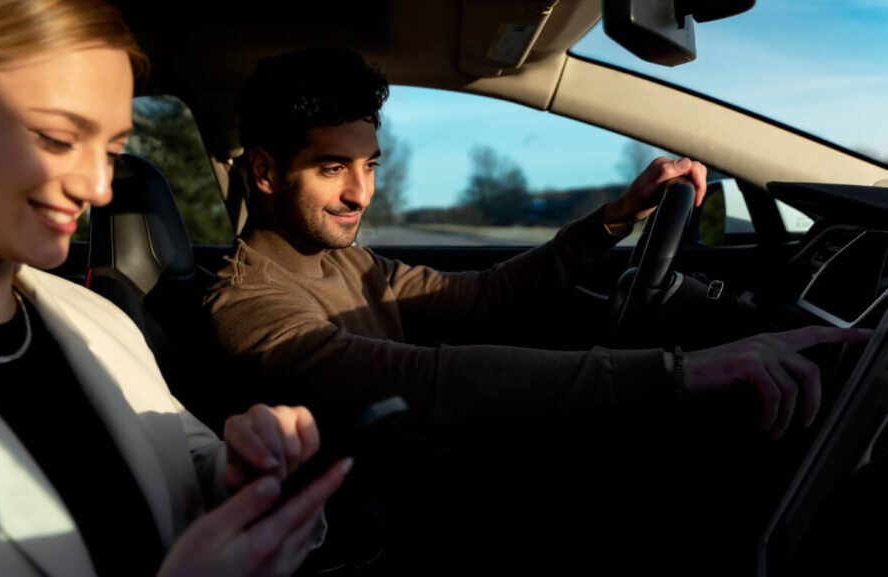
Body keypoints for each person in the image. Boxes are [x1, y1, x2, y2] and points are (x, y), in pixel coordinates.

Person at [203, 47, 872, 570]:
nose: (361, 193)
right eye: (332, 169)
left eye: (370, 165)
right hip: (398, 532)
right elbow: (430, 379)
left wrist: (613, 218)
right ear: (265, 173)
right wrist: (678, 372)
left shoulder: (345, 261)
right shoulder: (249, 303)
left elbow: (487, 295)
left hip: (447, 482)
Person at [0, 2, 350, 576]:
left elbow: (179, 459)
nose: (98, 188)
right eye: (56, 137)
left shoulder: (97, 318)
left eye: (110, 150)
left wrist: (238, 472)